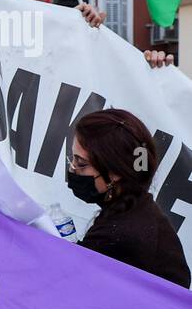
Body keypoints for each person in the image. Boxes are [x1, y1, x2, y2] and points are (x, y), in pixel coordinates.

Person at [69, 109, 190, 287]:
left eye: (81, 163)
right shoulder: (135, 205)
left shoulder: (118, 236)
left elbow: (70, 287)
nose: (72, 169)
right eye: (72, 159)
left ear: (116, 172)